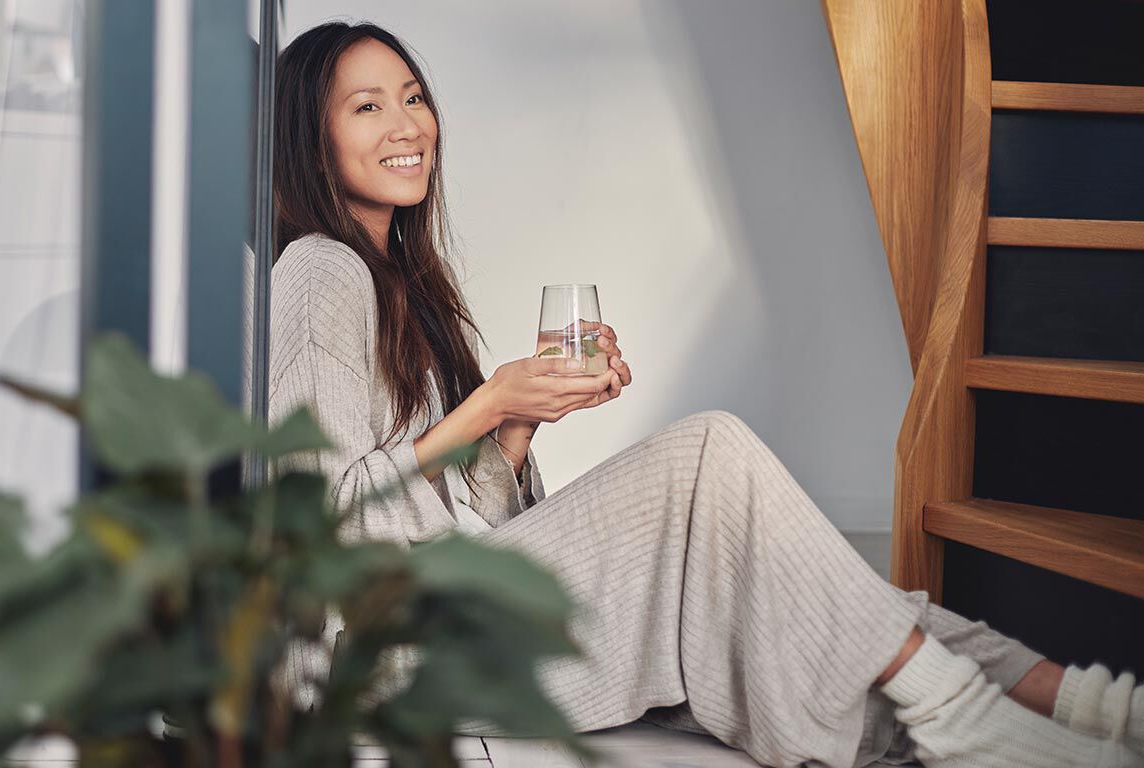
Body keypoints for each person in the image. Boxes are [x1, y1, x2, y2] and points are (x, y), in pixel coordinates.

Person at [266, 20, 1143, 768]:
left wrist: (518, 428)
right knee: (709, 454)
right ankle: (965, 715)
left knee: (806, 600)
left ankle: (1080, 708)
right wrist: (489, 404)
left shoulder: (405, 284)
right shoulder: (320, 270)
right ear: (314, 138)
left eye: (413, 96)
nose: (406, 123)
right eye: (367, 105)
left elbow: (469, 514)